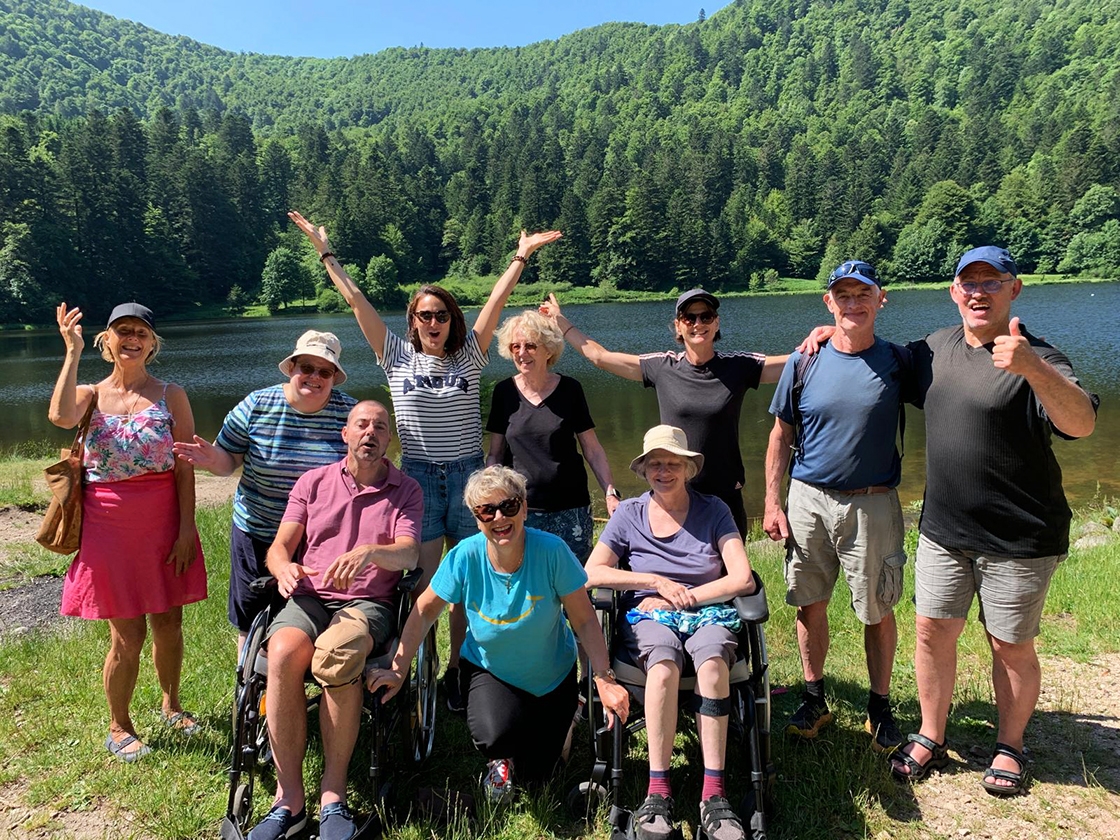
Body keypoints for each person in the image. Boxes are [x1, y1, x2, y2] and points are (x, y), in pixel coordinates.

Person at [290, 210, 561, 713]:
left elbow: (496, 303)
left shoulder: (469, 356)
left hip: (468, 477)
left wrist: (520, 256)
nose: (433, 323)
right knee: (426, 582)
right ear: (413, 322)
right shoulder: (395, 356)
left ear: (451, 321)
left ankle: (459, 669)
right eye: (424, 316)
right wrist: (325, 251)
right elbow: (356, 301)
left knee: (469, 578)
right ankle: (412, 669)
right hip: (417, 478)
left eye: (441, 315)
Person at [882, 247, 1099, 795]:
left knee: (1009, 644)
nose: (979, 292)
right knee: (932, 631)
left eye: (991, 282)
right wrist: (828, 332)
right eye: (969, 283)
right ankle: (931, 734)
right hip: (943, 532)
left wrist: (1031, 368)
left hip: (1019, 535)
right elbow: (869, 358)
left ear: (1014, 289)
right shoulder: (934, 349)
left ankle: (1011, 745)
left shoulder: (1039, 355)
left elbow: (1081, 424)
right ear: (954, 292)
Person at [368, 465, 629, 804]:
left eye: (508, 506)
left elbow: (584, 621)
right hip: (491, 671)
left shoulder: (552, 551)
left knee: (539, 778)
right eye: (486, 511)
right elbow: (424, 611)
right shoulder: (464, 555)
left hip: (552, 675)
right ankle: (501, 754)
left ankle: (567, 717)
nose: (499, 518)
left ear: (524, 508)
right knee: (495, 738)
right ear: (477, 519)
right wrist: (399, 668)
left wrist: (604, 678)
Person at [248, 400, 422, 840]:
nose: (370, 433)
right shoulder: (313, 482)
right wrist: (282, 568)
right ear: (345, 434)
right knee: (282, 651)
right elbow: (280, 546)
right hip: (310, 595)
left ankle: (333, 793)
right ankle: (289, 799)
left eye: (379, 427)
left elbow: (409, 553)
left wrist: (371, 553)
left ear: (389, 439)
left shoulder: (406, 490)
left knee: (336, 652)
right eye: (361, 425)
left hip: (368, 602)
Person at [49, 302, 207, 762]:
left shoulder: (171, 394)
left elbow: (184, 467)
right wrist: (71, 351)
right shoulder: (90, 394)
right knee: (127, 634)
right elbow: (59, 416)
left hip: (163, 523)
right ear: (107, 340)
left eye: (141, 332)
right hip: (108, 529)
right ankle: (119, 725)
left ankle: (172, 706)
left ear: (153, 343)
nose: (132, 338)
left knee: (169, 623)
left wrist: (186, 529)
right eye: (123, 331)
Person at [762, 260, 909, 752]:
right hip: (807, 499)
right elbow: (780, 434)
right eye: (843, 295)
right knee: (809, 601)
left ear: (881, 299)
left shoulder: (899, 361)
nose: (853, 303)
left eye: (863, 294)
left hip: (873, 503)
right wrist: (772, 502)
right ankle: (814, 699)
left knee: (877, 608)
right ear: (829, 302)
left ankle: (879, 707)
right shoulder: (804, 360)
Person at [585, 425, 758, 840]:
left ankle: (713, 795)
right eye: (655, 464)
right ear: (644, 470)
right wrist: (655, 583)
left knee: (713, 664)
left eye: (673, 464)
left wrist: (686, 598)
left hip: (708, 611)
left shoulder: (714, 510)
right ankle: (658, 791)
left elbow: (743, 578)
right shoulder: (629, 513)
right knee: (662, 666)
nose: (664, 472)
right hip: (649, 616)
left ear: (688, 469)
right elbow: (592, 572)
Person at [540, 289, 788, 537]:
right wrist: (561, 322)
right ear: (678, 326)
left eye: (706, 316)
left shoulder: (739, 366)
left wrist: (815, 338)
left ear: (716, 323)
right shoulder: (663, 367)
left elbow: (794, 363)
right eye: (689, 318)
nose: (698, 324)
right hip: (673, 495)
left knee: (731, 562)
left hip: (725, 495)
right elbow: (600, 357)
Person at [173, 330, 356, 653]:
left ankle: (299, 675)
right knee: (251, 617)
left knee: (312, 618)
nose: (314, 377)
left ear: (333, 377)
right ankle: (247, 676)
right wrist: (212, 458)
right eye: (307, 368)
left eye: (324, 371)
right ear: (292, 368)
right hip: (258, 531)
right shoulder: (257, 404)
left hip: (320, 539)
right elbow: (229, 461)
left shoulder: (350, 414)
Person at [486, 308, 620, 562]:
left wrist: (610, 492)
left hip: (571, 507)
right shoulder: (504, 392)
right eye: (515, 346)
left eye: (530, 346)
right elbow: (495, 454)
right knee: (527, 578)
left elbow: (592, 449)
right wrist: (493, 494)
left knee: (575, 577)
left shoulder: (570, 389)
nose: (522, 353)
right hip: (520, 510)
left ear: (548, 350)